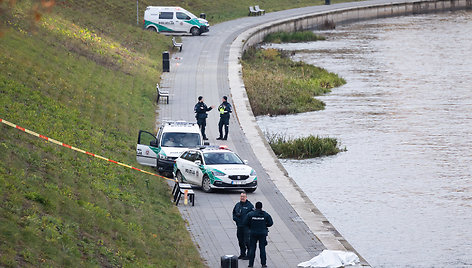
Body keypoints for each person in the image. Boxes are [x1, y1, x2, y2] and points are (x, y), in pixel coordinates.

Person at [244, 201, 273, 268]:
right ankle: (263, 264)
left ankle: (250, 264)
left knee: (252, 249)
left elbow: (245, 223)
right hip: (262, 233)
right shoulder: (265, 214)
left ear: (255, 206)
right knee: (262, 249)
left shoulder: (250, 214)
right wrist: (265, 225)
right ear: (261, 207)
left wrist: (250, 226)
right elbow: (270, 223)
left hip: (253, 233)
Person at [232, 192, 254, 260]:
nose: (242, 198)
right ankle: (242, 254)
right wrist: (236, 219)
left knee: (247, 241)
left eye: (243, 196)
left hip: (247, 227)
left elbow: (252, 216)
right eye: (241, 196)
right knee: (240, 241)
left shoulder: (250, 206)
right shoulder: (237, 205)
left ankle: (249, 255)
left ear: (246, 197)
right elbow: (234, 213)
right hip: (239, 226)